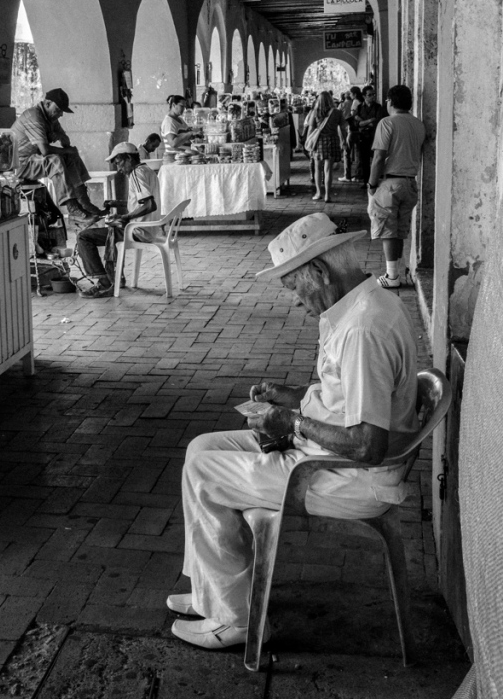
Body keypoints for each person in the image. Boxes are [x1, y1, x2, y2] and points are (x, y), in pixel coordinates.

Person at [169, 213, 419, 650]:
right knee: (200, 448)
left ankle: (238, 619)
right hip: (328, 454)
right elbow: (348, 400)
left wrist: (293, 422)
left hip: (349, 477)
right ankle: (215, 590)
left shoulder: (362, 329)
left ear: (320, 273)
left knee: (203, 474)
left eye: (293, 287)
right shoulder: (360, 305)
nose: (295, 301)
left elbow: (367, 445)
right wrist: (294, 396)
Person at [76, 142, 161, 297]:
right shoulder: (147, 170)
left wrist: (124, 217)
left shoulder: (136, 173)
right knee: (112, 230)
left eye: (119, 163)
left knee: (84, 237)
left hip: (139, 231)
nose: (119, 169)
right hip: (151, 229)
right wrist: (118, 204)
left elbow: (149, 204)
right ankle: (117, 277)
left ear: (129, 158)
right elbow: (141, 203)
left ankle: (104, 283)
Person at [11, 88, 103, 226]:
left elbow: (66, 142)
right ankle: (73, 210)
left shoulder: (49, 117)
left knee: (71, 156)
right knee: (54, 161)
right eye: (58, 110)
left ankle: (84, 202)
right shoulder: (34, 116)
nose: (60, 114)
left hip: (33, 160)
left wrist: (61, 137)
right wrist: (65, 149)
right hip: (21, 164)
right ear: (47, 103)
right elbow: (45, 151)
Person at [367, 84, 426, 289]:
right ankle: (395, 273)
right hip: (410, 182)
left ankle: (392, 276)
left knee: (388, 231)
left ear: (390, 102)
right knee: (399, 231)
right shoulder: (418, 124)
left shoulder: (387, 123)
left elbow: (378, 157)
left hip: (390, 183)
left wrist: (372, 184)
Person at [307, 91, 343, 203]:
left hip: (319, 142)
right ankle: (328, 195)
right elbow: (343, 127)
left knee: (318, 169)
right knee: (328, 170)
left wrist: (308, 143)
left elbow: (311, 129)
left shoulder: (315, 112)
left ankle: (318, 193)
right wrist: (344, 141)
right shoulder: (337, 112)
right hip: (332, 140)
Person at [353, 85, 384, 187]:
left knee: (376, 158)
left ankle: (374, 180)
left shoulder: (378, 107)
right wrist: (370, 120)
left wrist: (362, 121)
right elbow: (356, 124)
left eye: (373, 94)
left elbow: (377, 122)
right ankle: (366, 181)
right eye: (369, 95)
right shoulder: (359, 107)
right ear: (364, 96)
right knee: (364, 160)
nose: (372, 97)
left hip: (375, 136)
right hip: (363, 137)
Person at [160, 95, 199, 160]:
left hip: (183, 158)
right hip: (175, 160)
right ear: (174, 105)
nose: (184, 109)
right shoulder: (169, 121)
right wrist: (190, 133)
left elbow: (185, 136)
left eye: (184, 107)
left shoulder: (180, 119)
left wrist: (196, 134)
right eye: (182, 106)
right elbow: (173, 143)